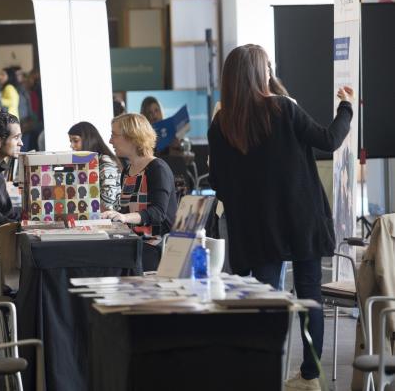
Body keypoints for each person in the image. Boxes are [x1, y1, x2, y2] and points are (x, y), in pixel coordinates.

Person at [207, 44, 354, 391]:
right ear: (263, 72)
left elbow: (218, 183)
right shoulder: (285, 109)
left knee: (264, 299)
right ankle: (309, 377)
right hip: (301, 219)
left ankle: (262, 372)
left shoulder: (222, 122)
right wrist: (346, 108)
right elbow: (328, 140)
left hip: (257, 228)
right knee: (309, 297)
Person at [101, 113, 177, 271]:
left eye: (114, 135)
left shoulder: (157, 168)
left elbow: (158, 213)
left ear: (132, 137)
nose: (110, 141)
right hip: (135, 243)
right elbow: (127, 213)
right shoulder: (128, 170)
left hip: (156, 246)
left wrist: (123, 217)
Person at [68, 122, 121, 211]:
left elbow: (108, 202)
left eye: (75, 141)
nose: (72, 146)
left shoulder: (105, 162)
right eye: (71, 141)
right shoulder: (88, 163)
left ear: (88, 139)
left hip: (111, 218)